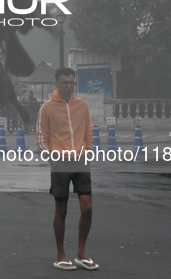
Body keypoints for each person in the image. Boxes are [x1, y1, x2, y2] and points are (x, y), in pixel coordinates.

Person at [35, 67, 98, 271]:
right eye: (65, 82)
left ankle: (81, 253)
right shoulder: (47, 107)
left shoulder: (82, 105)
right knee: (61, 209)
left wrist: (88, 151)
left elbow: (89, 130)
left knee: (87, 207)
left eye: (72, 82)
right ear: (57, 84)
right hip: (60, 162)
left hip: (80, 161)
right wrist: (52, 158)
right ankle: (61, 255)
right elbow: (41, 138)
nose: (69, 86)